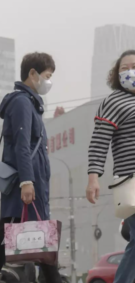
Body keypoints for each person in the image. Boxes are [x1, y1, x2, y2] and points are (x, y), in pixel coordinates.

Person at [0, 52, 62, 283]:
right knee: (30, 239)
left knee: (36, 240)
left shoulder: (31, 103)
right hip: (26, 185)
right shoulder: (22, 102)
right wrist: (27, 181)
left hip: (33, 184)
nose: (49, 81)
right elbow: (22, 145)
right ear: (32, 73)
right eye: (47, 75)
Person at [86, 50, 135, 283]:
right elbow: (99, 141)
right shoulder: (114, 101)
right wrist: (93, 177)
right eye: (124, 69)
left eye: (134, 66)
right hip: (132, 180)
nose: (129, 72)